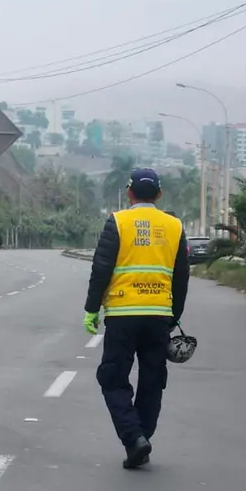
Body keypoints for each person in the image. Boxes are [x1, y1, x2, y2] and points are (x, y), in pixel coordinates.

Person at [83, 168, 190, 469]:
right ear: (158, 194)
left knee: (113, 378)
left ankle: (134, 438)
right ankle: (141, 435)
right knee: (153, 378)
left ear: (129, 192)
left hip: (121, 314)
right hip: (159, 316)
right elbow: (181, 276)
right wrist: (174, 314)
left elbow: (101, 269)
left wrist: (91, 308)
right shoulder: (174, 226)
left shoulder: (117, 221)